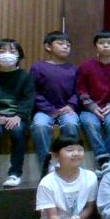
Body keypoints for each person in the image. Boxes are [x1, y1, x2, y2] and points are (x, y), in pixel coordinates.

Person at [0, 38, 35, 189]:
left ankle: (15, 174)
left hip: (18, 117)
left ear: (19, 55)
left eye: (12, 51)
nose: (7, 54)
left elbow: (28, 99)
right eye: (2, 51)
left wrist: (19, 116)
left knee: (18, 131)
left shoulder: (25, 77)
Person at [30, 31, 81, 170]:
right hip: (44, 110)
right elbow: (33, 91)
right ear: (48, 46)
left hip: (67, 109)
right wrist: (49, 109)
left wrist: (71, 105)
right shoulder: (38, 67)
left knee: (71, 124)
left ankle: (70, 162)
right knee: (39, 125)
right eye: (60, 43)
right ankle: (47, 164)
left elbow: (78, 91)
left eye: (68, 45)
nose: (65, 47)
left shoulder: (74, 69)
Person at [77, 31, 110, 176]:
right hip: (89, 109)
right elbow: (81, 90)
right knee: (90, 123)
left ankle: (105, 160)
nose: (105, 46)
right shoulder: (86, 66)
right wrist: (92, 107)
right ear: (96, 46)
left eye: (109, 43)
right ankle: (104, 158)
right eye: (101, 43)